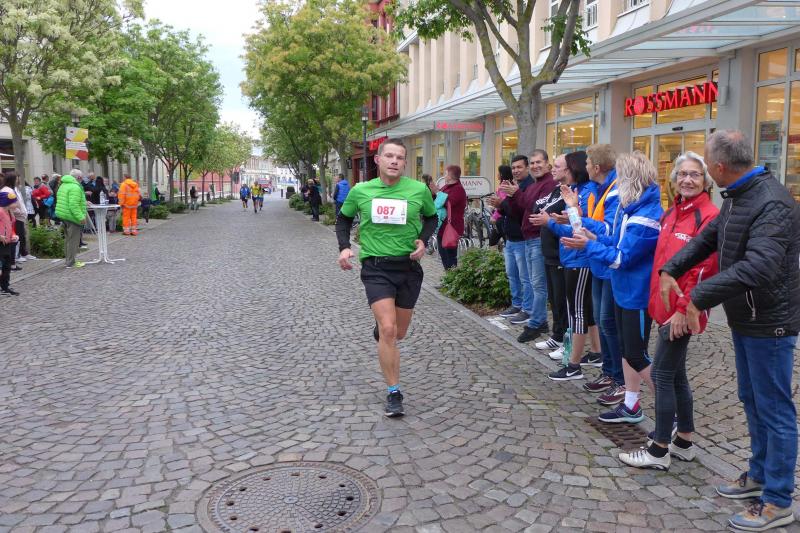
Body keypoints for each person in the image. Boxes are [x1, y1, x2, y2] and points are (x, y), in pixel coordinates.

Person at [661, 131, 800, 531]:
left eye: (706, 165)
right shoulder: (739, 195)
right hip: (747, 317)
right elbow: (710, 238)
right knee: (751, 399)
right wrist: (672, 268)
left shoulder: (770, 201)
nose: (705, 171)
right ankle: (758, 475)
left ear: (720, 167)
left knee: (774, 409)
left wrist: (698, 296)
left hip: (770, 322)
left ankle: (778, 500)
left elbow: (760, 266)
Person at [617, 151, 719, 471]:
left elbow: (703, 270)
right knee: (676, 375)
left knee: (662, 373)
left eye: (695, 175)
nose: (688, 180)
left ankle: (659, 449)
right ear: (674, 179)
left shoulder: (709, 216)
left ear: (706, 181)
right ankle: (684, 442)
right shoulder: (672, 212)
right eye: (683, 174)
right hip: (663, 307)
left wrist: (683, 310)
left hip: (683, 312)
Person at [336, 138, 437, 418]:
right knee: (390, 330)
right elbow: (343, 219)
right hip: (376, 267)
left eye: (400, 157)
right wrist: (344, 247)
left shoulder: (418, 190)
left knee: (398, 333)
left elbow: (431, 218)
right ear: (378, 160)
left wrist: (423, 240)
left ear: (405, 163)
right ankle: (394, 392)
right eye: (389, 156)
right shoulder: (361, 191)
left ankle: (382, 332)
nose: (394, 161)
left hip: (408, 268)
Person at [562, 151, 662, 424]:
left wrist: (588, 244)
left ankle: (671, 413)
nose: (617, 183)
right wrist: (586, 232)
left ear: (631, 180)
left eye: (621, 178)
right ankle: (631, 404)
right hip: (624, 290)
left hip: (636, 294)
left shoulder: (644, 215)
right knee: (629, 352)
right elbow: (612, 238)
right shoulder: (633, 208)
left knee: (637, 355)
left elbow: (621, 257)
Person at [534, 151, 602, 380]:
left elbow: (581, 229)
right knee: (585, 311)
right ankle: (596, 352)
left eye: (563, 167)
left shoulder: (587, 192)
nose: (560, 171)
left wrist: (550, 223)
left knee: (577, 312)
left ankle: (573, 364)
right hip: (572, 256)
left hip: (579, 258)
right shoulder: (577, 190)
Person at [578, 145, 625, 402]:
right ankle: (609, 372)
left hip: (609, 266)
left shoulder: (615, 190)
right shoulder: (599, 187)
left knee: (608, 323)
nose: (585, 166)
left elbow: (608, 230)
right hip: (598, 263)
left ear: (596, 167)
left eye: (588, 163)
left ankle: (619, 377)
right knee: (601, 319)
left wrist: (578, 218)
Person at [498, 151, 557, 343]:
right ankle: (540, 321)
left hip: (539, 238)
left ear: (547, 164)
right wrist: (509, 198)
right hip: (529, 239)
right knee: (533, 282)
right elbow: (520, 210)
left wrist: (517, 195)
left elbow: (537, 208)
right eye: (532, 163)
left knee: (538, 285)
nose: (535, 166)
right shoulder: (534, 185)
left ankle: (537, 322)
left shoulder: (549, 184)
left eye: (538, 162)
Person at [527, 155, 568, 355]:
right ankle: (557, 336)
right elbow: (537, 206)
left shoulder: (569, 191)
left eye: (557, 166)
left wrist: (547, 217)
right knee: (554, 299)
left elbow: (548, 211)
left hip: (561, 254)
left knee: (562, 300)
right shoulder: (556, 189)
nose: (553, 169)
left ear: (569, 169)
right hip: (549, 252)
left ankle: (566, 341)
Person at [490, 157, 533, 327]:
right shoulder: (514, 185)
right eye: (513, 167)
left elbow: (522, 212)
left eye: (519, 167)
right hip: (510, 239)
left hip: (522, 239)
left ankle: (527, 309)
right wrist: (500, 206)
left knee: (525, 277)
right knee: (512, 274)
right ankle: (516, 304)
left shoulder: (528, 186)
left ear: (527, 168)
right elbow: (510, 210)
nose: (516, 170)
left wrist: (503, 204)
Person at [429, 165, 467, 270]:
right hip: (442, 225)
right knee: (443, 254)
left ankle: (452, 276)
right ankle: (448, 275)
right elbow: (437, 201)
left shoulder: (458, 189)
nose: (444, 176)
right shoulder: (446, 187)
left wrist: (437, 192)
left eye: (445, 173)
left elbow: (448, 203)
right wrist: (433, 193)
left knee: (450, 255)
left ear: (450, 175)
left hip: (451, 227)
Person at [55, 169, 88, 269]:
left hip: (63, 215)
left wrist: (84, 202)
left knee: (68, 240)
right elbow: (73, 205)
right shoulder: (75, 187)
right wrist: (81, 217)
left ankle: (68, 261)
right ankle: (71, 262)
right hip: (72, 217)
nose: (81, 180)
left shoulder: (64, 185)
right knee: (73, 240)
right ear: (78, 177)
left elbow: (66, 200)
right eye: (81, 178)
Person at [2, 172, 33, 264]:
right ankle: (14, 258)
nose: (18, 180)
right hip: (13, 217)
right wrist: (18, 211)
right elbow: (10, 205)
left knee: (18, 236)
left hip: (15, 216)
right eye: (16, 179)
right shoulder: (8, 190)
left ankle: (15, 258)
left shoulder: (13, 189)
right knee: (15, 237)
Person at [0, 190, 21, 295]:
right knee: (1, 266)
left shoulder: (9, 212)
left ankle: (5, 287)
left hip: (7, 243)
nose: (16, 204)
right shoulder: (0, 211)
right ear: (6, 202)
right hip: (1, 243)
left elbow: (10, 227)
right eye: (14, 202)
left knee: (7, 266)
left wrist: (13, 235)